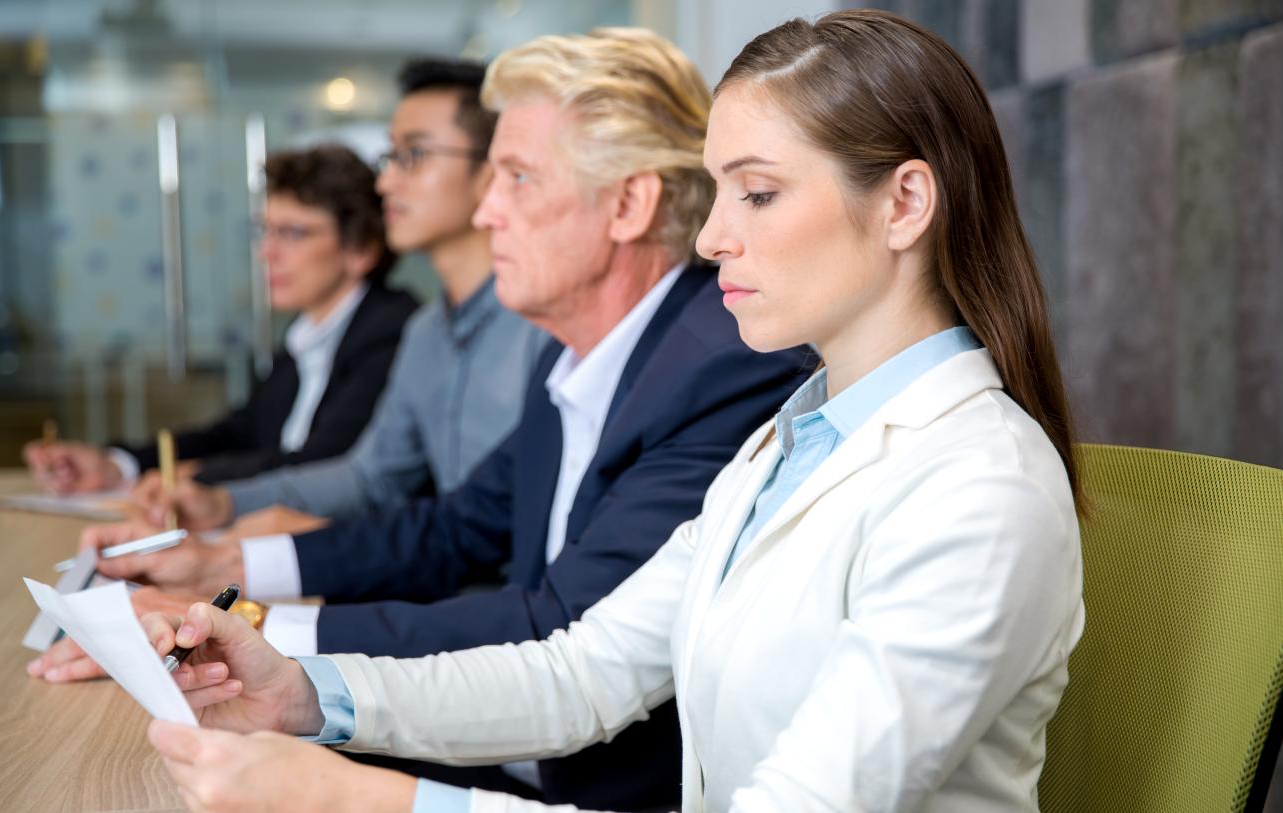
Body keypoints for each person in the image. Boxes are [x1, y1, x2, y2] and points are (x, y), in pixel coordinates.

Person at [133, 11, 1086, 812]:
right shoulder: (787, 442)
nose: (711, 237)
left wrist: (364, 798)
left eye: (758, 193)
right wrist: (303, 693)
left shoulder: (979, 487)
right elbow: (581, 672)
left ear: (905, 203)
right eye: (720, 192)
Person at [33, 28, 809, 812]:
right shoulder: (575, 351)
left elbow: (561, 629)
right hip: (507, 747)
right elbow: (455, 526)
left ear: (628, 204)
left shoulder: (723, 365)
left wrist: (258, 626)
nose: (487, 209)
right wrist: (229, 575)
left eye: (516, 177)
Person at [127, 58, 550, 531]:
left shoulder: (544, 325)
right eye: (390, 157)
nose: (385, 182)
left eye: (414, 154)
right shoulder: (427, 332)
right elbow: (371, 478)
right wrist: (225, 503)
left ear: (492, 172)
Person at [23, 146, 418, 494]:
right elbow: (240, 433)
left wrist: (199, 478)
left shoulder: (393, 332)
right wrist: (117, 465)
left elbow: (324, 465)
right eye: (264, 231)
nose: (266, 252)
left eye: (293, 234)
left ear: (361, 248)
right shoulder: (307, 333)